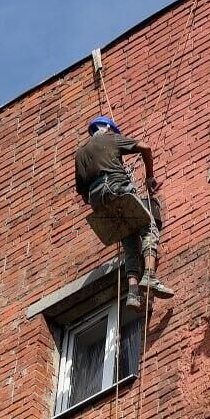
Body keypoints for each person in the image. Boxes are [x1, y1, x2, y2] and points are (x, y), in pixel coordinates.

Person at [75, 116, 175, 310]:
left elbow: (82, 192)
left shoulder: (80, 154)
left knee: (129, 242)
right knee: (149, 226)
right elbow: (145, 148)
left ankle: (132, 294)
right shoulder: (110, 138)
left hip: (99, 202)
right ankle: (149, 276)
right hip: (116, 188)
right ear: (108, 129)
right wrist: (149, 177)